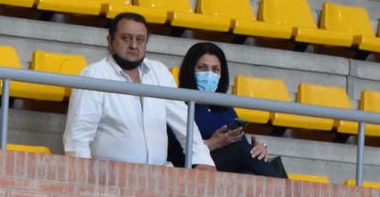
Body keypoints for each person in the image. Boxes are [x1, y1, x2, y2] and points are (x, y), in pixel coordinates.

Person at [63, 12, 215, 169]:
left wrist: (203, 159)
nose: (134, 45)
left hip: (157, 178)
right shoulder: (94, 75)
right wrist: (83, 178)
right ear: (110, 40)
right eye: (126, 38)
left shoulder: (159, 72)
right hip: (107, 178)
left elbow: (184, 122)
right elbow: (77, 138)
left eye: (140, 40)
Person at [168, 42, 288, 178]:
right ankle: (290, 194)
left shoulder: (226, 108)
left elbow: (243, 147)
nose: (209, 75)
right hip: (189, 167)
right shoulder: (177, 103)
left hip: (225, 169)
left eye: (215, 70)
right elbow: (172, 149)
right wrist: (212, 143)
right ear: (190, 70)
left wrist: (258, 149)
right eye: (202, 68)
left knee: (249, 172)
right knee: (240, 152)